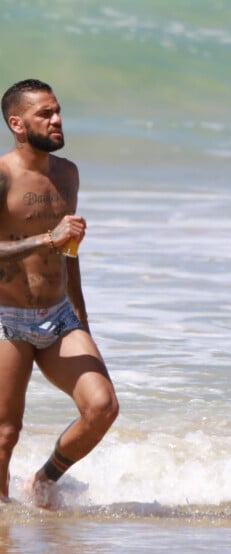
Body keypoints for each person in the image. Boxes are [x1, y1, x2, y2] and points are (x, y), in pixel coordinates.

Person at [0, 79, 119, 507]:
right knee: (5, 433)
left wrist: (83, 324)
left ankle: (44, 481)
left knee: (102, 406)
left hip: (59, 314)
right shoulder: (2, 175)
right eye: (45, 114)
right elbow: (52, 241)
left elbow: (70, 255)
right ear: (17, 123)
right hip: (7, 319)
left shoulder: (67, 174)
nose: (57, 119)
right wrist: (45, 240)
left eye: (58, 111)